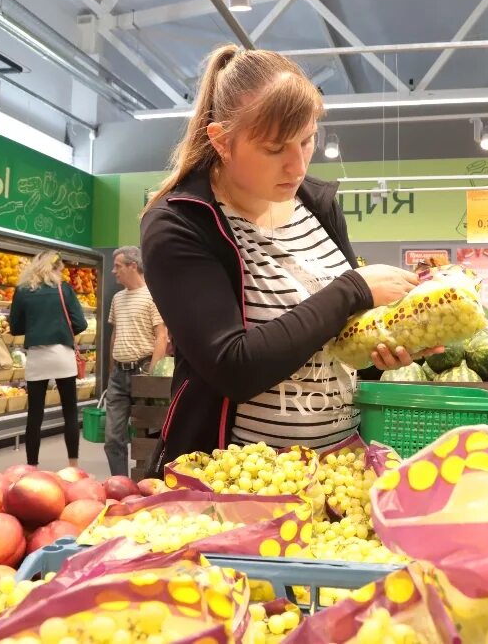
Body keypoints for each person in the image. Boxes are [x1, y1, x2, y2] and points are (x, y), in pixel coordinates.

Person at [140, 45, 436, 467]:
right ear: (222, 141)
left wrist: (380, 352)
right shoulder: (181, 223)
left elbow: (332, 340)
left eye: (307, 140)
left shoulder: (317, 204)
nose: (297, 166)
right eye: (275, 149)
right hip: (239, 477)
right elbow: (234, 367)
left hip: (337, 465)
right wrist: (353, 290)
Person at [10, 251, 88, 467]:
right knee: (70, 412)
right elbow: (80, 323)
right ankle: (73, 466)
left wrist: (36, 326)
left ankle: (32, 467)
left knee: (35, 414)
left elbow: (15, 327)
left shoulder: (23, 291)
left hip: (38, 356)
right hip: (62, 355)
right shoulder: (64, 290)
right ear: (57, 268)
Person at [104, 246, 168, 477]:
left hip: (143, 371)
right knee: (113, 437)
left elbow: (162, 335)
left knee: (146, 435)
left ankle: (147, 481)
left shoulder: (153, 295)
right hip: (119, 375)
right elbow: (115, 333)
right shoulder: (117, 298)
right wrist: (112, 368)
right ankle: (120, 485)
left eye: (117, 266)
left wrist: (152, 374)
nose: (113, 271)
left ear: (133, 266)